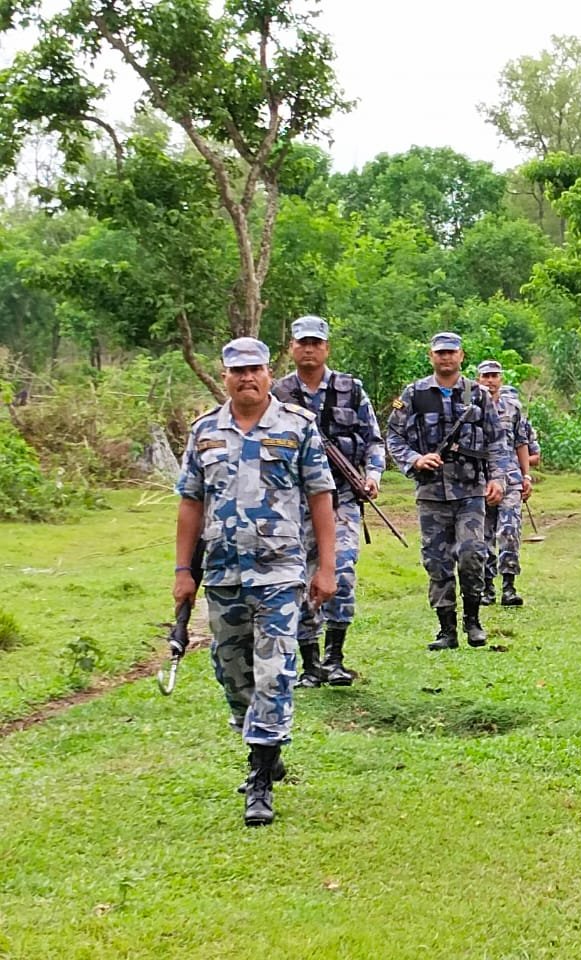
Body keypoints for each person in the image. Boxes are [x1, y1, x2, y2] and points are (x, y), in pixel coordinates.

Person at [174, 337, 336, 827]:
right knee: (233, 674)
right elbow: (190, 504)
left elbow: (321, 498)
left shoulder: (297, 427)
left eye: (256, 370)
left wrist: (325, 567)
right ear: (224, 376)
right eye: (237, 371)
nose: (247, 378)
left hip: (280, 573)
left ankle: (260, 777)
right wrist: (184, 571)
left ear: (270, 373)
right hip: (223, 575)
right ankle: (265, 742)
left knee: (275, 671)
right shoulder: (204, 432)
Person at [271, 315, 385, 687]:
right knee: (297, 579)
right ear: (291, 348)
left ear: (326, 348)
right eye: (302, 343)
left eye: (315, 343)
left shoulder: (351, 390)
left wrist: (373, 474)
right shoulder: (276, 394)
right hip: (293, 503)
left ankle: (336, 658)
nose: (308, 349)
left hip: (343, 499)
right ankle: (310, 663)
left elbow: (374, 440)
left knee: (342, 572)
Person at [385, 332, 504, 650]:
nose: (446, 357)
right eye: (440, 353)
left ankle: (473, 621)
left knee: (471, 553)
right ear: (431, 356)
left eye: (451, 352)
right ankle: (446, 629)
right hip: (431, 492)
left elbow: (496, 440)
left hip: (470, 491)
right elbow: (393, 436)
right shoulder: (414, 394)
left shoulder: (478, 394)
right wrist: (415, 458)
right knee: (436, 560)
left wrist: (498, 479)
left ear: (461, 356)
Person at [477, 360, 532, 606]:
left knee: (509, 531)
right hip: (479, 479)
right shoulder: (470, 405)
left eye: (494, 376)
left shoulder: (513, 407)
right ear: (478, 379)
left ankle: (508, 586)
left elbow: (521, 443)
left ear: (501, 378)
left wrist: (526, 475)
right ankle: (486, 588)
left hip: (510, 478)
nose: (490, 380)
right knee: (483, 535)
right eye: (486, 376)